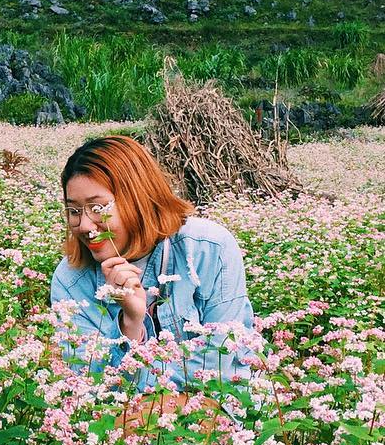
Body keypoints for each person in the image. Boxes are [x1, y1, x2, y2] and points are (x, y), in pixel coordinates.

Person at [49, 134, 258, 395]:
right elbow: (89, 385)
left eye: (98, 207)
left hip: (212, 413)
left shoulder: (208, 248)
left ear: (137, 198)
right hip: (120, 423)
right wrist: (131, 324)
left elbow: (222, 361)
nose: (85, 225)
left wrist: (148, 395)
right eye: (74, 211)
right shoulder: (70, 281)